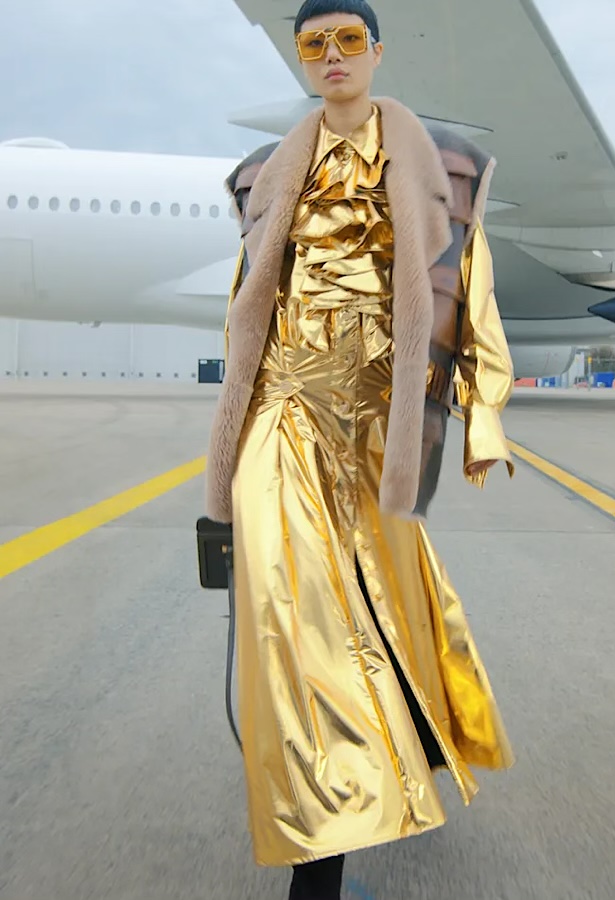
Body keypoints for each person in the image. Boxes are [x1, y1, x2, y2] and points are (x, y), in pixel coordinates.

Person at [205, 1, 515, 897]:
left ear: (376, 52)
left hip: (379, 422)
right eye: (315, 44)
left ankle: (408, 747)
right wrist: (230, 438)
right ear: (304, 59)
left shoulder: (431, 164)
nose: (332, 55)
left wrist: (483, 416)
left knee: (388, 612)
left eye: (348, 40)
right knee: (289, 620)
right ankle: (319, 854)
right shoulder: (274, 173)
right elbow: (247, 305)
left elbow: (471, 287)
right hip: (284, 411)